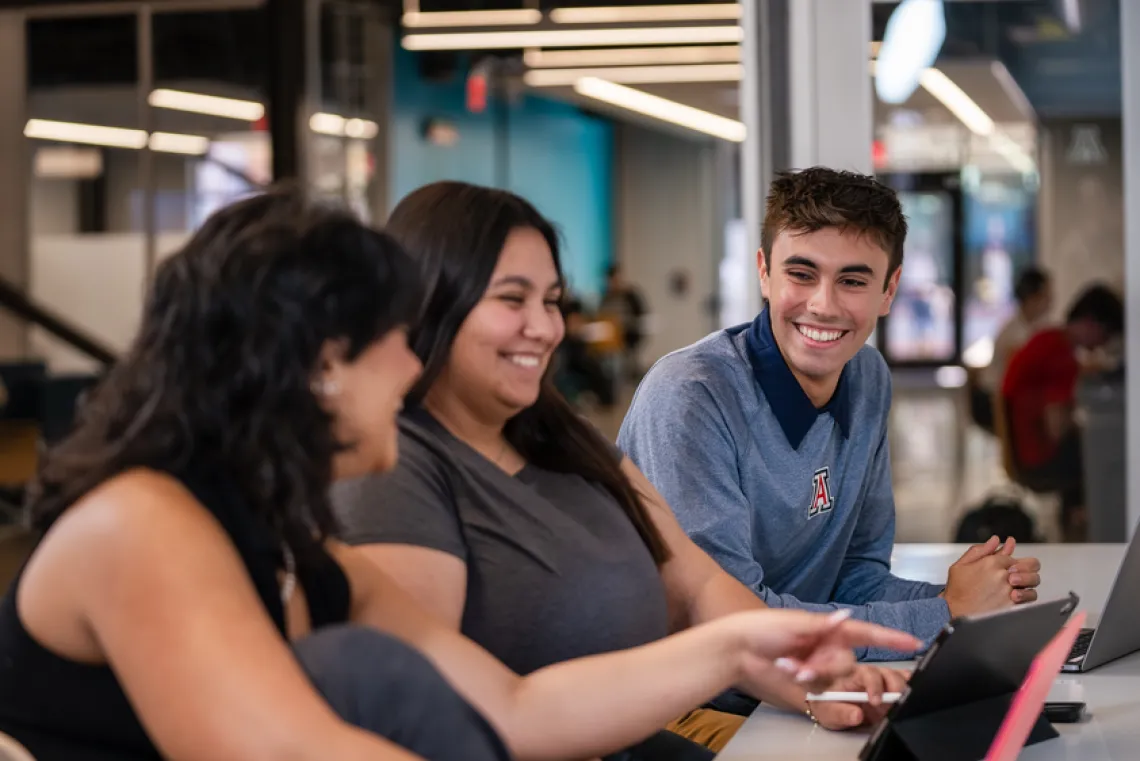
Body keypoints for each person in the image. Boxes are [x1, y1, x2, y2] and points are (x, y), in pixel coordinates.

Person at [0, 188, 917, 761]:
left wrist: (736, 648)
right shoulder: (143, 527)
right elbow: (294, 746)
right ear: (317, 363)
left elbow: (510, 706)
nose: (412, 366)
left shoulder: (292, 541)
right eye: (395, 340)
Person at [330, 180, 918, 758]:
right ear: (433, 302)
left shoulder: (563, 437)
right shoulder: (398, 469)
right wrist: (747, 657)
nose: (546, 327)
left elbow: (701, 586)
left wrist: (811, 678)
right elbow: (452, 714)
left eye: (553, 301)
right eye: (513, 300)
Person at [617, 167, 1042, 677]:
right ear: (764, 273)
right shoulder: (691, 396)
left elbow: (855, 578)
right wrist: (943, 614)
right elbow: (730, 626)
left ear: (889, 290)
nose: (823, 305)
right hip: (683, 701)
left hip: (793, 681)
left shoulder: (867, 376)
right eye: (800, 274)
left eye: (853, 281)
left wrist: (975, 601)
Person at [1001, 283, 1124, 540]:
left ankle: (1078, 524)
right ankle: (1090, 532)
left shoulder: (1050, 339)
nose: (1101, 345)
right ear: (1092, 324)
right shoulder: (1061, 355)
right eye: (1105, 336)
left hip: (1024, 449)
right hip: (1038, 457)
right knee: (1104, 455)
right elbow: (1056, 428)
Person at [970, 268, 1053, 432]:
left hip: (1009, 397)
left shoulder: (1034, 327)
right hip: (996, 402)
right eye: (1048, 295)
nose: (1051, 301)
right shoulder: (1014, 334)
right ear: (1033, 297)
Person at [600, 264, 649, 379]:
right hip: (610, 341)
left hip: (629, 337)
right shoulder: (606, 297)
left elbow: (641, 315)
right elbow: (602, 316)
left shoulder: (631, 295)